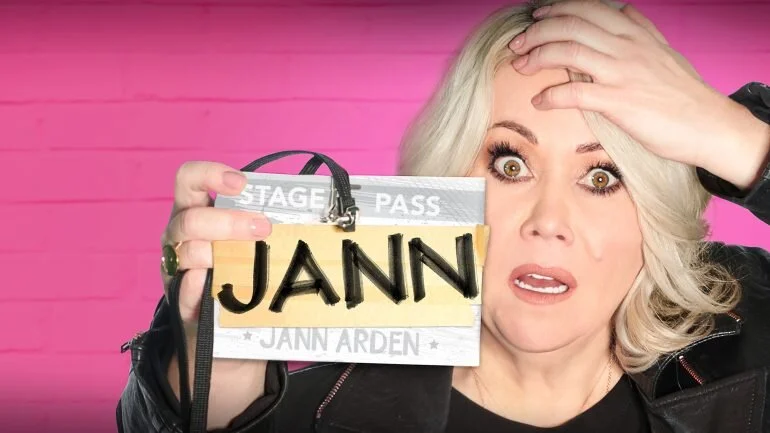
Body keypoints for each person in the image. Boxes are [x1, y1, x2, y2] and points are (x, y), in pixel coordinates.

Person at [116, 0, 770, 432]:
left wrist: (743, 140)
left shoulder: (751, 359)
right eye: (509, 163)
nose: (548, 220)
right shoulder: (311, 411)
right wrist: (206, 380)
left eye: (602, 177)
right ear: (445, 182)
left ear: (654, 212)